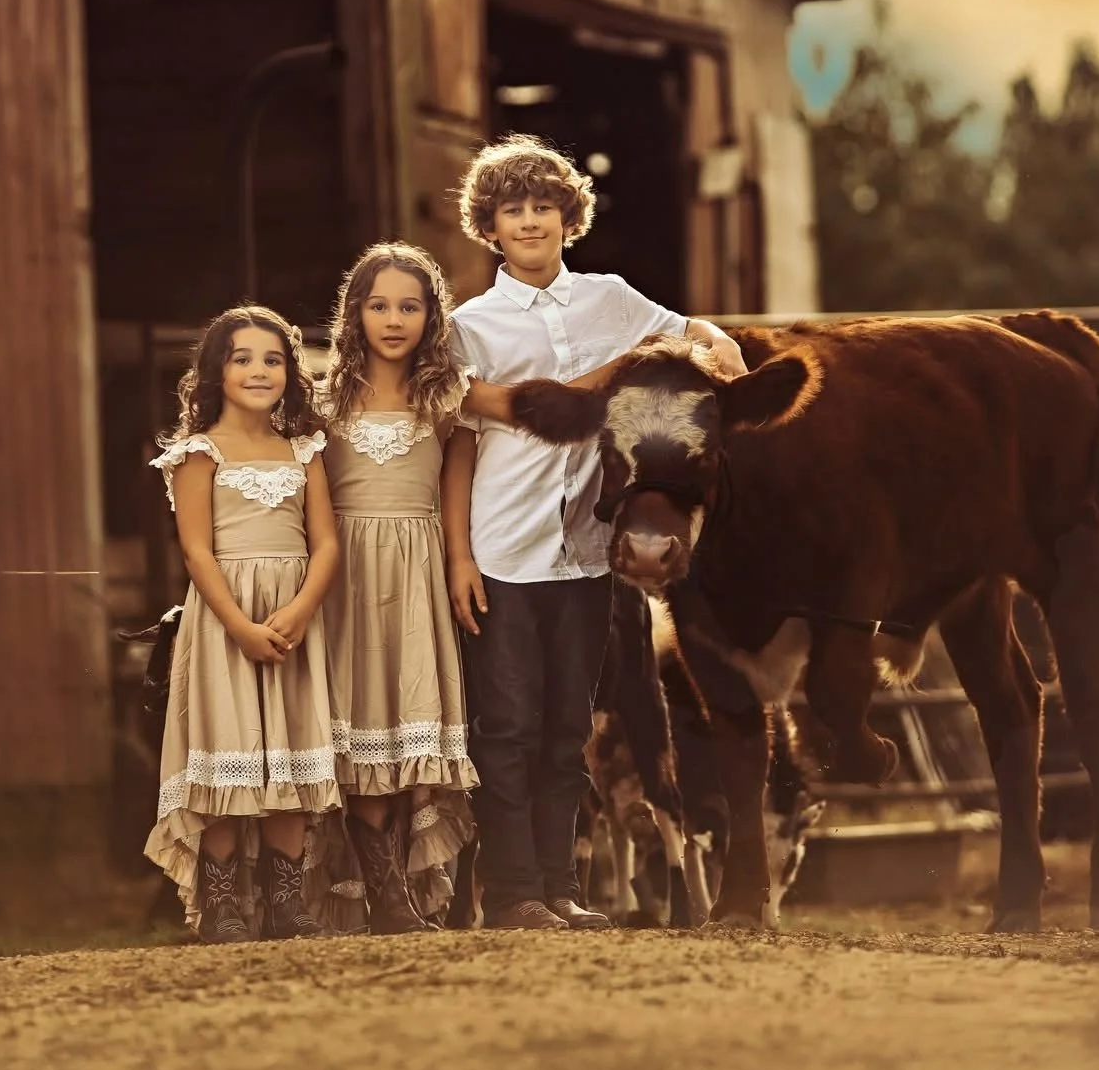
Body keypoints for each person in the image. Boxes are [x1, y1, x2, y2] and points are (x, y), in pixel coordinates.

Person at [443, 132, 746, 931]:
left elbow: (691, 332)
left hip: (586, 554)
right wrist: (461, 555)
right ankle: (511, 894)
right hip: (503, 547)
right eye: (514, 209)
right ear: (491, 225)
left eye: (544, 206)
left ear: (568, 216)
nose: (531, 221)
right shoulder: (471, 326)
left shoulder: (612, 298)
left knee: (568, 727)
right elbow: (465, 440)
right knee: (505, 725)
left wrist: (721, 344)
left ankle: (559, 887)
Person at [143, 305, 341, 944]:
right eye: (243, 358)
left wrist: (301, 609)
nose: (260, 371)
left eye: (274, 359)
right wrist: (241, 627)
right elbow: (197, 551)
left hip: (291, 618)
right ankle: (223, 902)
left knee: (286, 751)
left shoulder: (302, 450)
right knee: (228, 751)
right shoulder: (199, 453)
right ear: (216, 372)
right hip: (227, 620)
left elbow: (328, 545)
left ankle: (288, 901)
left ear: (292, 371)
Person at [311, 242, 481, 934]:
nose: (393, 319)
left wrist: (459, 561)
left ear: (430, 315)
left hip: (416, 568)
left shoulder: (447, 396)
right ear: (354, 314)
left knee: (407, 721)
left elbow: (455, 486)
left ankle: (405, 891)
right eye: (378, 305)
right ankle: (384, 896)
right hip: (344, 570)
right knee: (358, 725)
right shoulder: (324, 399)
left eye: (409, 306)